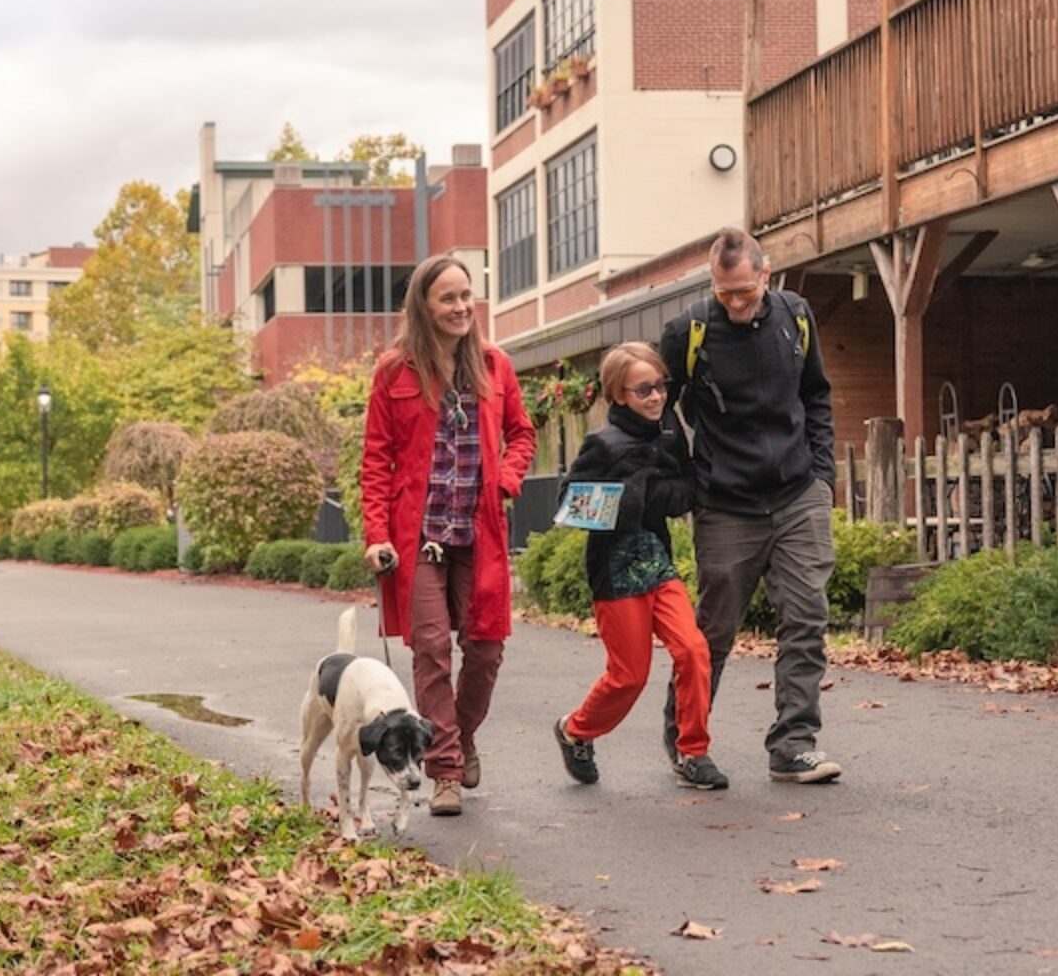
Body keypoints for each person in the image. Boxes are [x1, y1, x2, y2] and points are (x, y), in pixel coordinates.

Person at [660, 227, 840, 784]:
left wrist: (822, 476)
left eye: (743, 290)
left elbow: (816, 395)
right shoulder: (687, 331)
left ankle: (793, 743)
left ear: (766, 275)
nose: (735, 303)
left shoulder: (796, 317)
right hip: (725, 504)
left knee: (806, 616)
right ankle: (685, 739)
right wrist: (687, 479)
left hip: (796, 494)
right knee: (711, 633)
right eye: (724, 293)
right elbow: (655, 409)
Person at [360, 255, 535, 818]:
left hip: (478, 533)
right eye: (448, 298)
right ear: (425, 307)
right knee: (431, 650)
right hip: (419, 538)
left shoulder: (495, 364)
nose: (461, 307)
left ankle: (461, 734)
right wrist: (376, 533)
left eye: (467, 296)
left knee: (485, 648)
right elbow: (376, 459)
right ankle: (445, 770)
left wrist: (506, 481)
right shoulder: (395, 371)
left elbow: (522, 434)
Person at [553, 343, 726, 790]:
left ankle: (693, 751)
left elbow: (687, 488)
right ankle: (575, 730)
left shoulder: (670, 432)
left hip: (658, 562)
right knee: (629, 676)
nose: (655, 397)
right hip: (615, 569)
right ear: (618, 395)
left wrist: (658, 491)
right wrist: (634, 490)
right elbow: (571, 506)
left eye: (660, 386)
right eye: (643, 389)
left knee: (693, 649)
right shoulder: (602, 444)